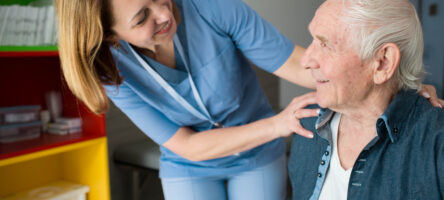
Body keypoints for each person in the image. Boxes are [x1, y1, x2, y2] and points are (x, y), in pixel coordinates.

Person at [54, 0, 442, 199]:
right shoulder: (111, 70)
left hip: (259, 155)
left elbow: (297, 62)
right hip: (191, 161)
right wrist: (278, 123)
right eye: (141, 18)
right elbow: (186, 144)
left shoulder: (208, 7)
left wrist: (395, 86)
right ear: (111, 37)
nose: (163, 13)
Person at [288, 0, 444, 199]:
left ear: (383, 62)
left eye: (325, 45)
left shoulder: (436, 144)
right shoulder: (307, 123)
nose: (305, 60)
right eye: (313, 41)